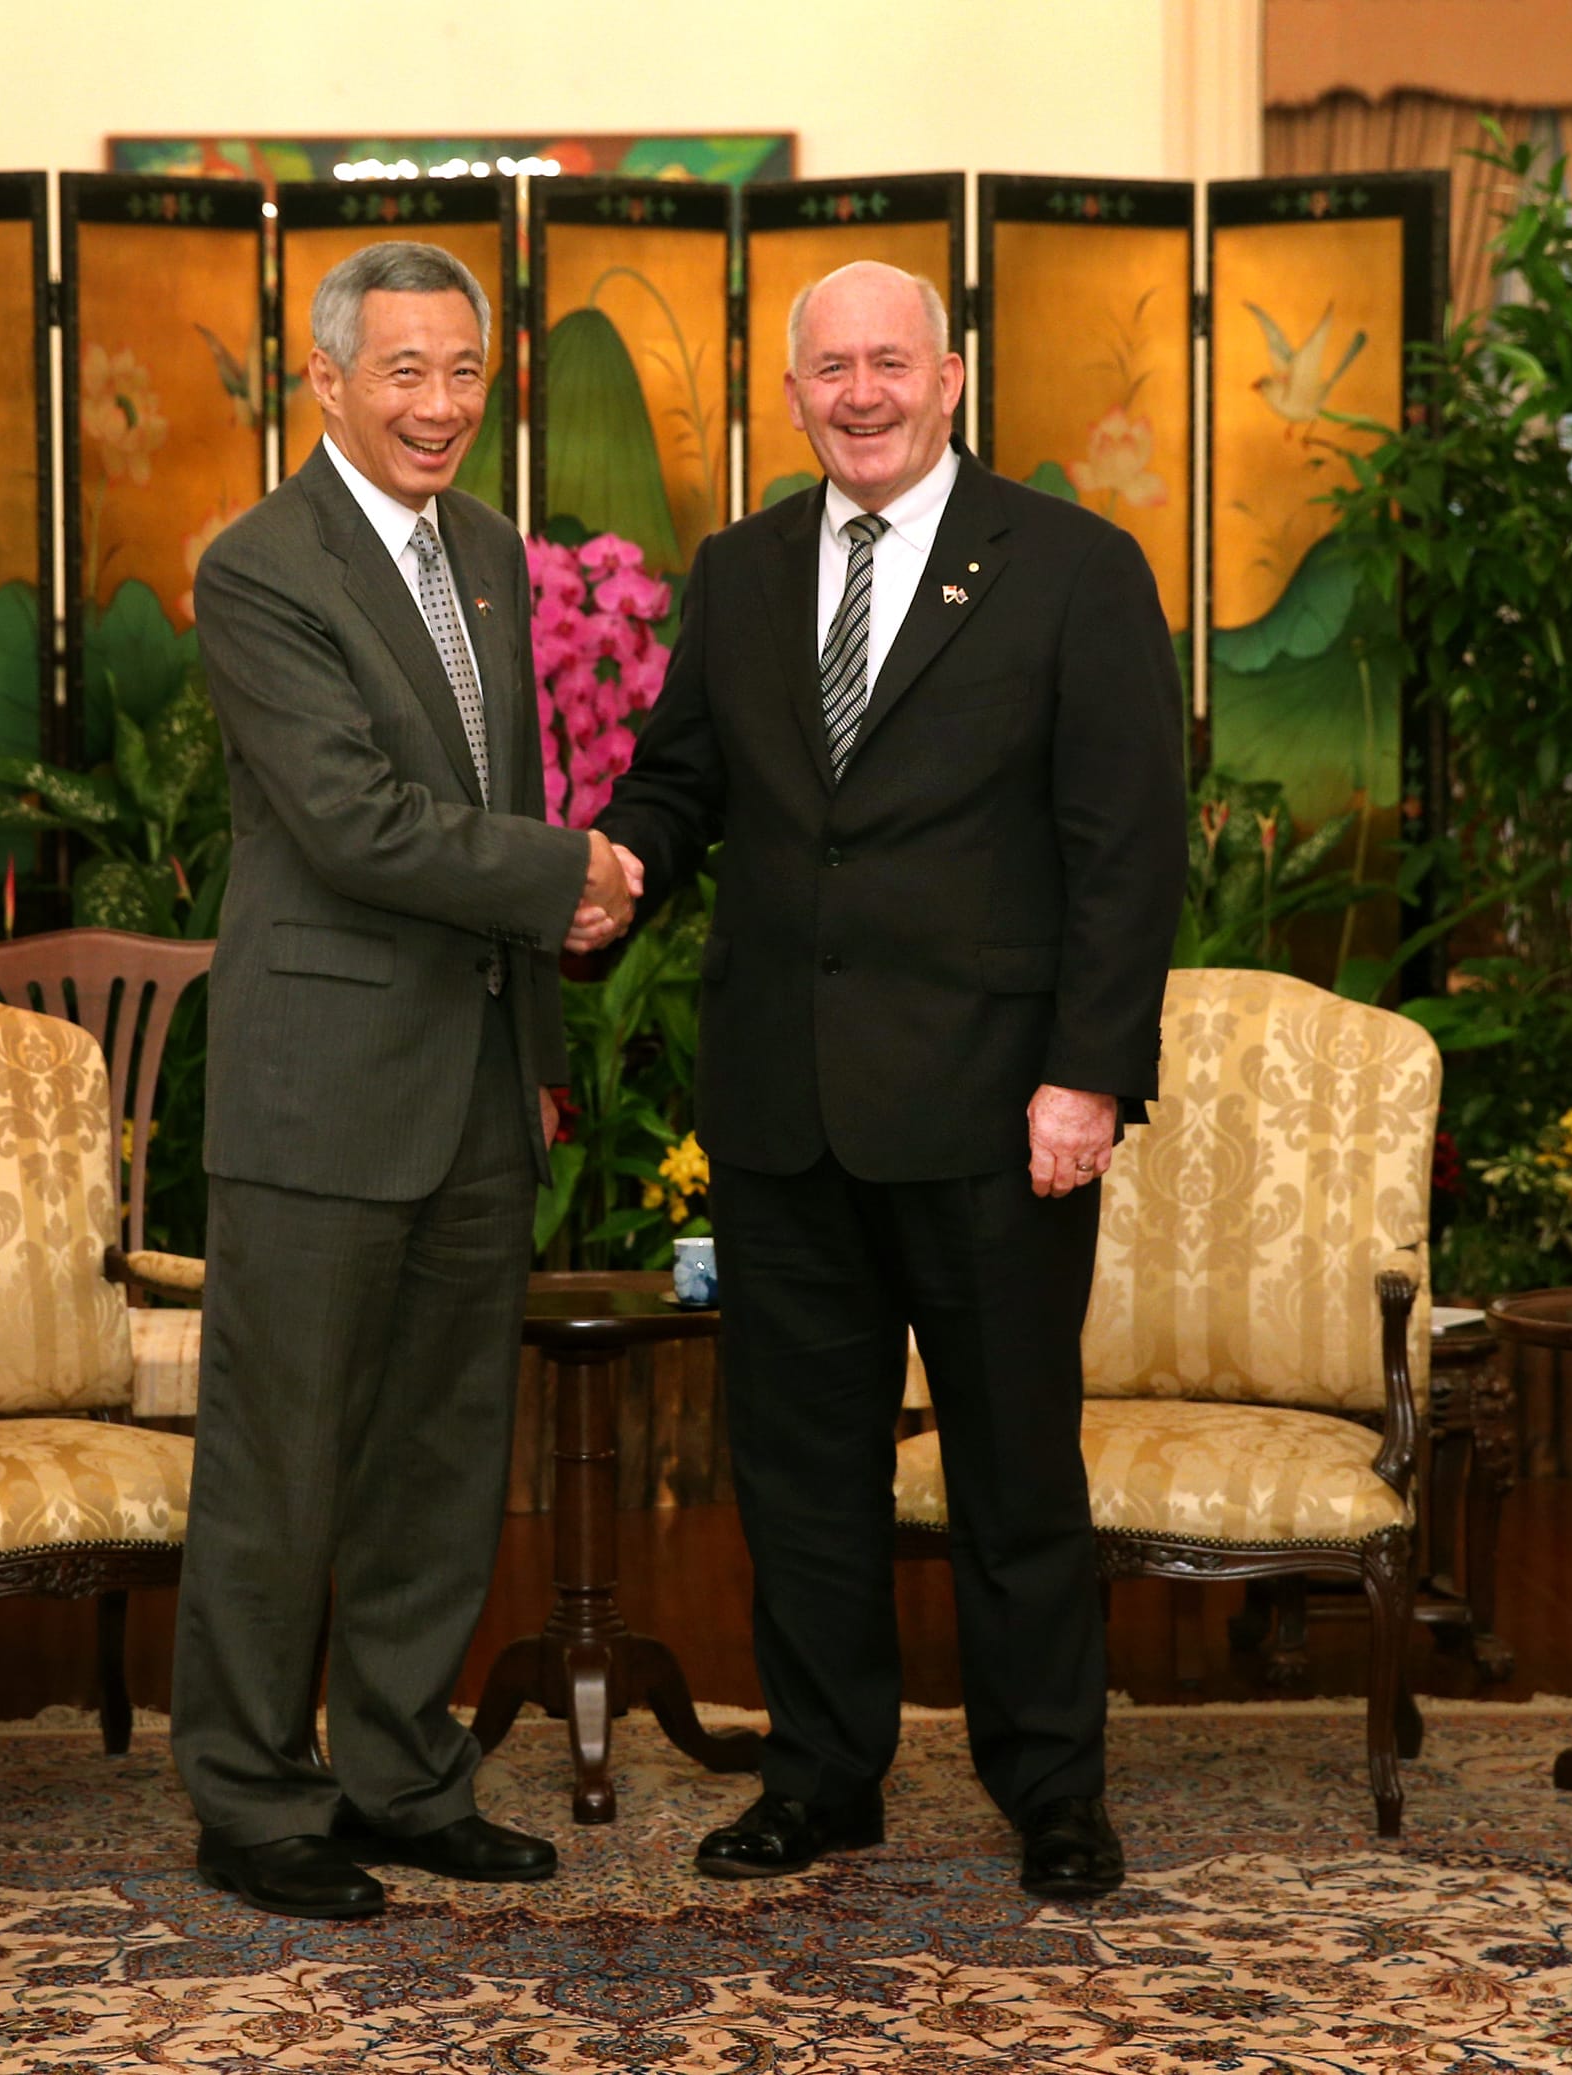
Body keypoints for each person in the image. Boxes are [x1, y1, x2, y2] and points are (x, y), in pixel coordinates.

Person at [591, 260, 1184, 1900]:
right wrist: (615, 868)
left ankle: (1051, 1792)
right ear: (787, 397)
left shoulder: (1070, 569)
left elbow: (1125, 851)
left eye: (887, 363)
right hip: (785, 1111)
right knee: (799, 1472)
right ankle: (820, 1776)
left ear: (950, 379)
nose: (858, 392)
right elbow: (679, 777)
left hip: (998, 1113)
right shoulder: (739, 569)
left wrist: (1086, 1078)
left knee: (1011, 1469)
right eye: (827, 369)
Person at [173, 241, 639, 1921]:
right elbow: (356, 823)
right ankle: (250, 1800)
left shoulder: (493, 558)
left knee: (441, 1464)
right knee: (278, 1463)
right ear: (326, 380)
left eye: (462, 371)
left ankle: (399, 1776)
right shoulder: (260, 570)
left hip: (470, 1091)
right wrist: (566, 871)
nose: (439, 405)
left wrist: (535, 1049)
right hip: (319, 1093)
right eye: (403, 373)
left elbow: (486, 793)